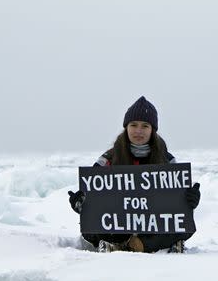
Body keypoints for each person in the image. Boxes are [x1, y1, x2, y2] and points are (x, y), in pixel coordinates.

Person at [68, 96, 201, 253]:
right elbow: (93, 199)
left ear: (153, 130)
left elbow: (178, 206)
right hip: (118, 225)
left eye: (145, 126)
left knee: (185, 227)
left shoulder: (167, 159)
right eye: (134, 125)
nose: (139, 131)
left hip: (153, 226)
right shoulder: (108, 159)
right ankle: (127, 243)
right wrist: (81, 203)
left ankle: (135, 245)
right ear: (126, 127)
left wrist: (189, 200)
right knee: (91, 228)